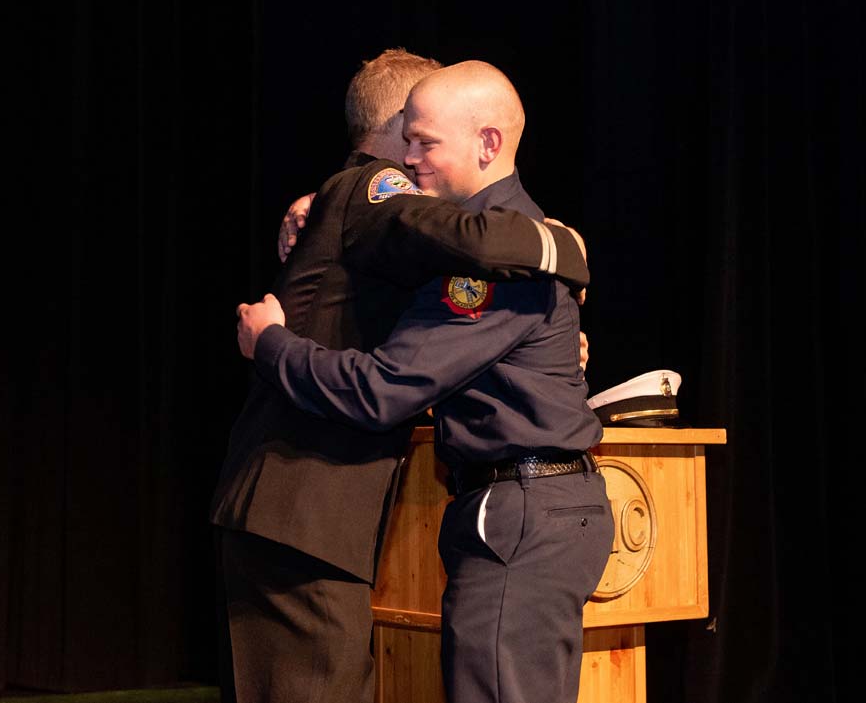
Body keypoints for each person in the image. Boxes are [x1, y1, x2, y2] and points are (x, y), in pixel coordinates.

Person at [209, 49, 591, 703]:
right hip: (301, 504)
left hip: (302, 506)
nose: (415, 156)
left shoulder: (351, 202)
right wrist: (560, 246)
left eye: (427, 139)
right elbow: (472, 240)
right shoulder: (373, 188)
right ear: (393, 125)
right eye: (412, 135)